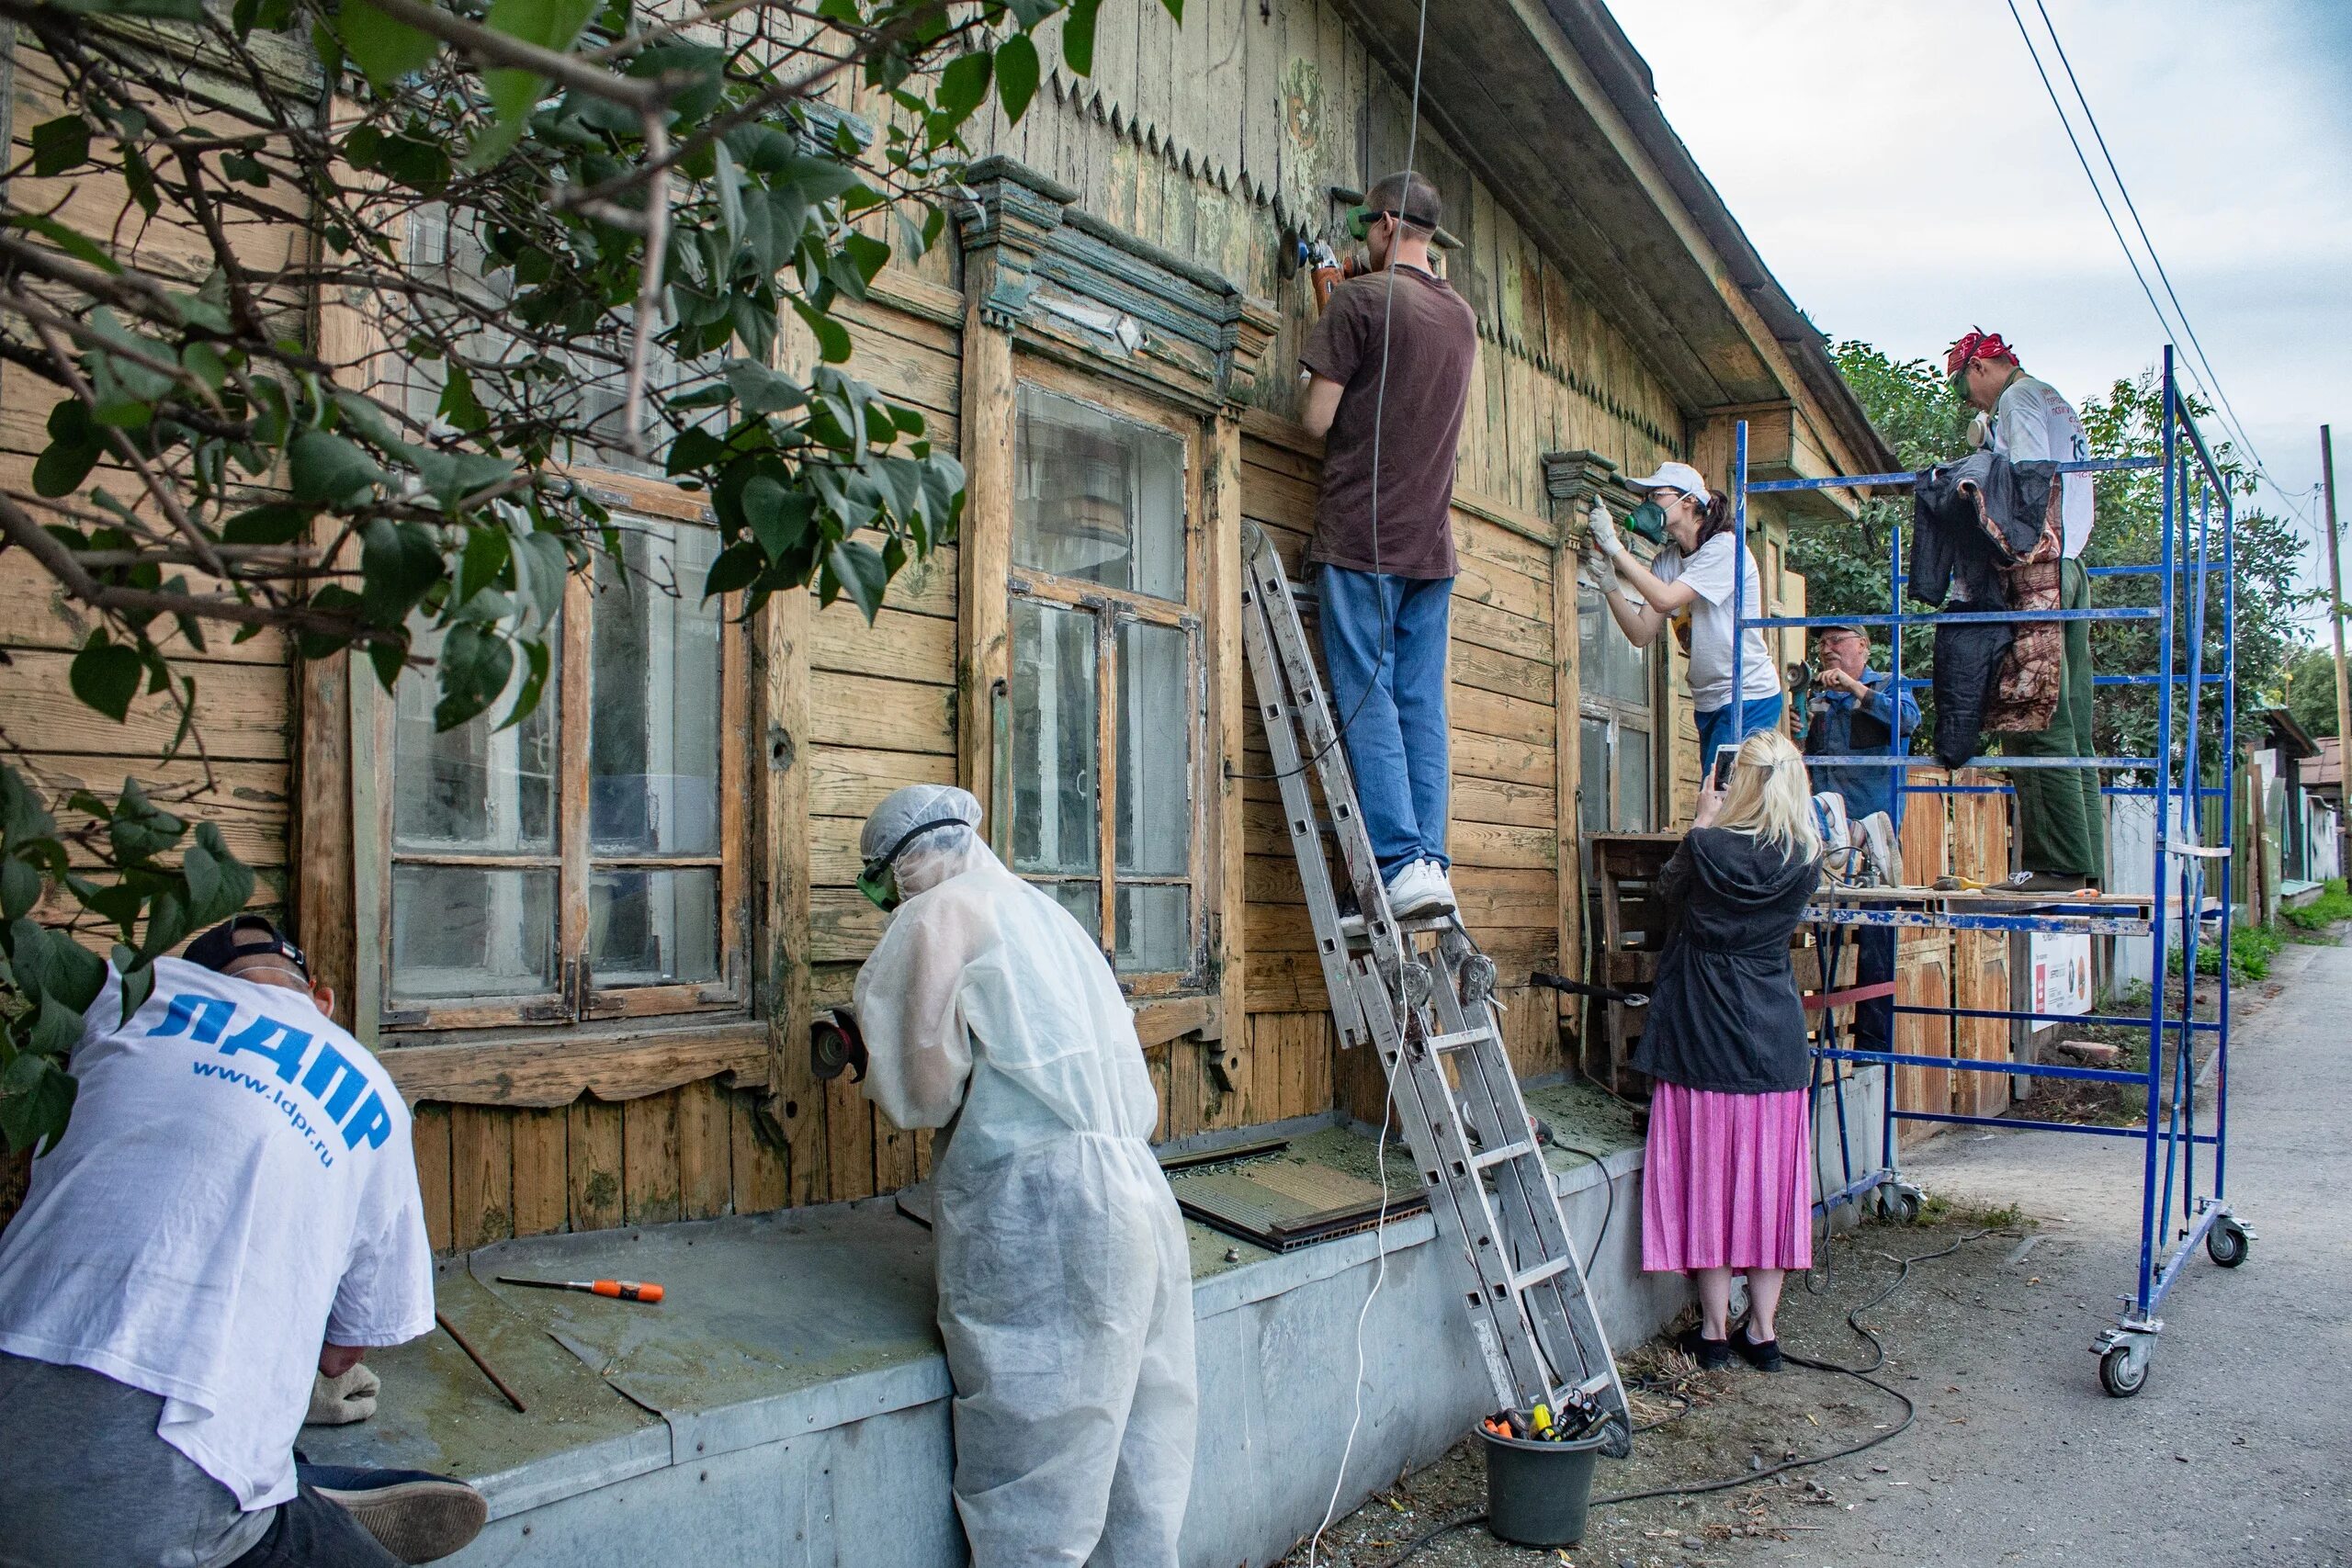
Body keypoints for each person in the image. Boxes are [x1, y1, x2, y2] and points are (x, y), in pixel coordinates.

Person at [0, 916, 484, 1567]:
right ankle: (280, 1483)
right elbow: (341, 1355)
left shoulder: (125, 994)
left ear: (198, 979)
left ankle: (285, 1473)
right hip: (158, 1508)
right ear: (322, 999)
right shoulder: (371, 1091)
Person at [852, 784, 1196, 1567]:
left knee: (1037, 1475)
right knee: (1140, 1457)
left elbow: (925, 1091)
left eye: (880, 882)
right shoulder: (1046, 913)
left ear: (905, 862)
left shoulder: (938, 915)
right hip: (1140, 1192)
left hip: (1043, 1211)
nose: (884, 900)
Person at [1297, 169, 1479, 919]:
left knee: (1367, 695)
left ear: (1381, 226)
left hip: (1361, 535)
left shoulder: (1362, 301)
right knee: (1417, 703)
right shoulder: (1462, 317)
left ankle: (1399, 861)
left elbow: (1316, 420)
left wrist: (1330, 321)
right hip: (1430, 546)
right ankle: (1428, 860)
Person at [1633, 729, 1824, 1373]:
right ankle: (1763, 1332)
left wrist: (1699, 821)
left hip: (1703, 1037)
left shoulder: (1708, 847)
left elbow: (1664, 899)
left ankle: (1714, 1331)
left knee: (1707, 1185)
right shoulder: (1805, 856)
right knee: (1770, 1190)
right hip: (1774, 1043)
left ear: (1736, 782)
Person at [1950, 328, 2105, 893]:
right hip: (2072, 566)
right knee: (2072, 726)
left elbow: (2028, 481)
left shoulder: (2016, 398)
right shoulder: (2051, 396)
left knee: (2034, 716)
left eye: (1968, 386)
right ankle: (2083, 864)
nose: (1972, 399)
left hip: (2039, 566)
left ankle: (2056, 866)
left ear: (1982, 368)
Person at [1587, 461, 1787, 784]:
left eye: (1657, 494)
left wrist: (1615, 548)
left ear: (1690, 500)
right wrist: (1609, 584)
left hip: (1746, 694)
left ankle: (1825, 818)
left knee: (1721, 797)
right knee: (1725, 797)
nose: (1649, 503)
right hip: (1708, 700)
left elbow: (1666, 599)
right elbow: (1640, 634)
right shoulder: (1667, 561)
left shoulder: (1725, 549)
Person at [1801, 625, 1920, 1053]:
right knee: (1829, 940)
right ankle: (1832, 1040)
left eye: (1838, 641)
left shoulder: (1888, 685)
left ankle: (1873, 1047)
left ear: (1863, 647)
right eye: (1822, 644)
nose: (1827, 649)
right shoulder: (1818, 697)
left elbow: (1907, 721)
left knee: (1875, 943)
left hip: (1873, 839)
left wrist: (1856, 689)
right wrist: (1800, 724)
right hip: (1829, 838)